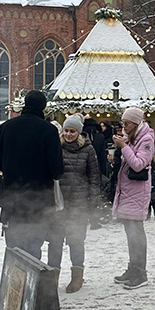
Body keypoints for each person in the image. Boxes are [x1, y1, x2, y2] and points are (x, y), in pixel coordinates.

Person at [0, 90, 64, 262]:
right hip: (38, 199)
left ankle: (15, 286)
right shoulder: (48, 130)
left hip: (12, 198)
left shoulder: (6, 127)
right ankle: (32, 286)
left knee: (14, 247)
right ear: (44, 107)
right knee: (33, 246)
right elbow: (57, 170)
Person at [47, 115, 100, 292]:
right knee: (55, 241)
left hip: (78, 202)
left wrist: (92, 200)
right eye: (67, 130)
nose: (69, 134)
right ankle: (52, 276)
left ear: (79, 132)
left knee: (76, 240)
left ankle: (77, 276)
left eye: (72, 131)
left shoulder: (88, 149)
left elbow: (94, 176)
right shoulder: (56, 147)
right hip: (59, 203)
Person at [111, 107, 155, 289]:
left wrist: (124, 147)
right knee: (131, 233)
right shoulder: (133, 137)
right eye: (123, 123)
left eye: (127, 123)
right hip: (128, 191)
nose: (124, 126)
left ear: (136, 123)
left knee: (137, 234)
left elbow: (138, 164)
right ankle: (133, 267)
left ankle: (140, 272)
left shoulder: (147, 139)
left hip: (137, 192)